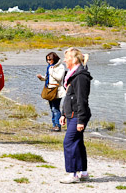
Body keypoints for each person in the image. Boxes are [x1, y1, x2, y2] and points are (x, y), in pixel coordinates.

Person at [59, 48, 92, 184]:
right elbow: (69, 97)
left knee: (69, 142)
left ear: (74, 59)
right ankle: (83, 173)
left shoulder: (81, 76)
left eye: (66, 58)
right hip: (72, 114)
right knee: (77, 143)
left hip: (78, 115)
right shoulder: (72, 74)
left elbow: (81, 100)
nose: (64, 60)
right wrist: (63, 114)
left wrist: (81, 120)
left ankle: (73, 174)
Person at [36, 52, 66, 132]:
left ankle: (57, 125)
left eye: (50, 60)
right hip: (49, 89)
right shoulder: (49, 67)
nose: (48, 61)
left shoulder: (61, 67)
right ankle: (54, 125)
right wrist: (41, 78)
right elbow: (46, 78)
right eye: (47, 60)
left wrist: (51, 71)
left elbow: (59, 78)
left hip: (57, 90)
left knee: (55, 108)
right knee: (52, 108)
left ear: (54, 59)